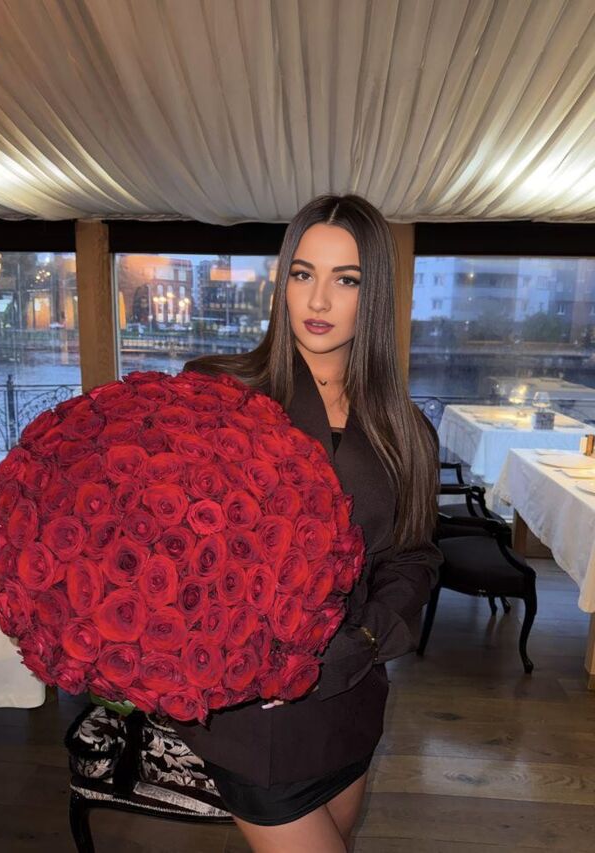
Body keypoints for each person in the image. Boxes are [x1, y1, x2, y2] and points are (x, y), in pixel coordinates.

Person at [170, 194, 443, 852]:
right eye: (303, 273)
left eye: (346, 280)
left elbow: (413, 556)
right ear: (282, 280)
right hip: (249, 712)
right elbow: (167, 541)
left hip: (350, 696)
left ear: (374, 294)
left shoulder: (406, 431)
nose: (318, 299)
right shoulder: (217, 393)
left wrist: (366, 635)